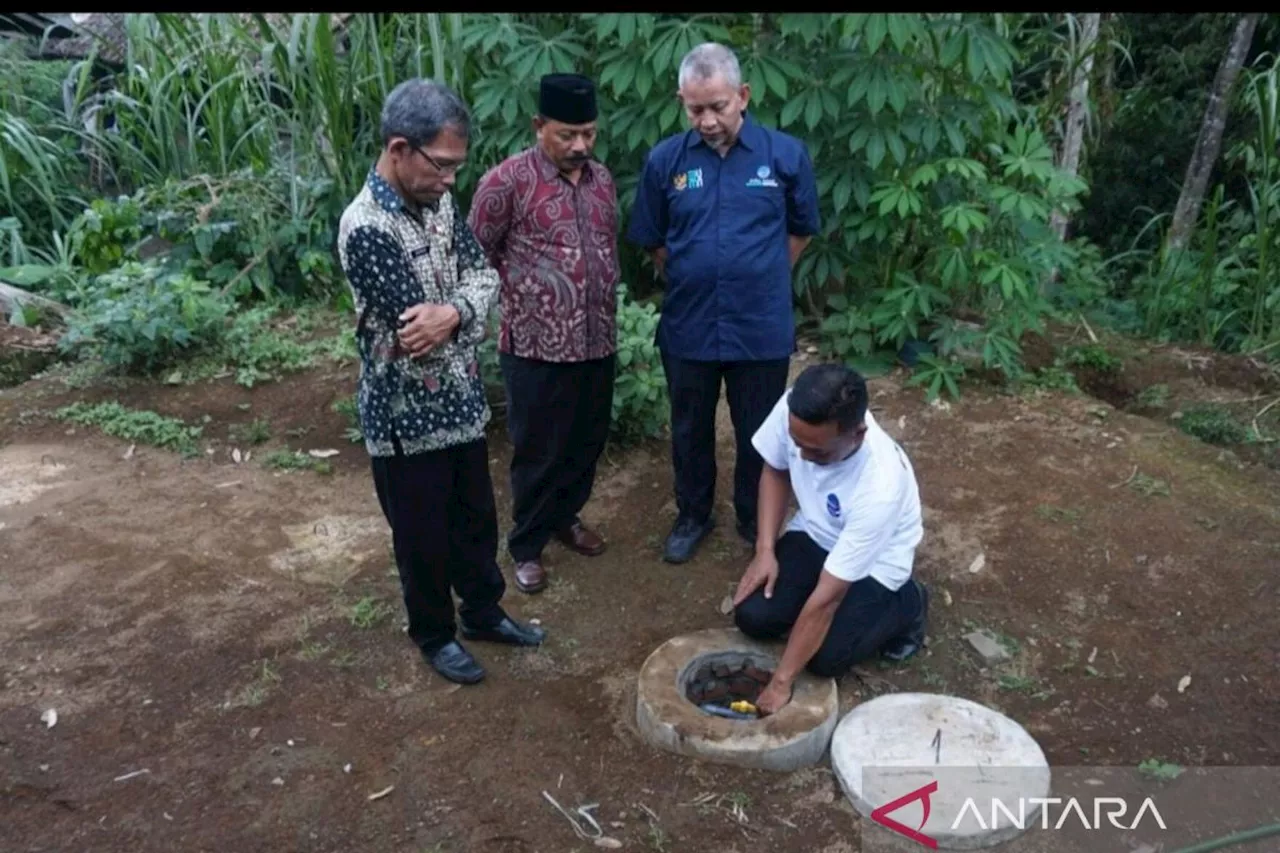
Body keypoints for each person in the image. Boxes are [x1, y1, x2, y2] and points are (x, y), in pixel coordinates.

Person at [337, 78, 546, 686]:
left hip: (460, 402)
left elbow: (485, 277)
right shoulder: (366, 226)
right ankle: (433, 633)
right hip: (403, 417)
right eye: (443, 165)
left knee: (476, 518)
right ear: (400, 148)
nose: (452, 179)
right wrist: (462, 313)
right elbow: (414, 339)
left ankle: (482, 612)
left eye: (458, 166)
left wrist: (453, 312)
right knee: (421, 534)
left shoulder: (440, 204)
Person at [626, 42, 822, 564]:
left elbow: (801, 230)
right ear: (681, 102)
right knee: (689, 425)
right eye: (696, 109)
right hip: (689, 323)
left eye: (718, 106)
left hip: (759, 325)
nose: (708, 120)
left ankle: (752, 515)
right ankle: (692, 514)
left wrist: (760, 275)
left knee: (759, 428)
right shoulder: (665, 160)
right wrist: (696, 274)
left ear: (743, 96)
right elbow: (652, 237)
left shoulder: (784, 155)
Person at [468, 73, 620, 595]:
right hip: (535, 346)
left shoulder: (601, 179)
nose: (580, 146)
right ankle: (526, 543)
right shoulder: (506, 182)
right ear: (539, 126)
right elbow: (476, 255)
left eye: (589, 134)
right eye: (567, 135)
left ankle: (566, 517)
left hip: (598, 340)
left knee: (586, 440)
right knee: (539, 448)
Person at [730, 363, 930, 715]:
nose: (804, 457)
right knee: (753, 617)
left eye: (818, 452)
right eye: (798, 445)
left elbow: (827, 599)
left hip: (877, 562)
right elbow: (776, 469)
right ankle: (808, 608)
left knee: (825, 660)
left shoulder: (880, 486)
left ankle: (909, 603)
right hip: (816, 531)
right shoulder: (797, 408)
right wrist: (765, 550)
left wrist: (780, 682)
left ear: (858, 433)